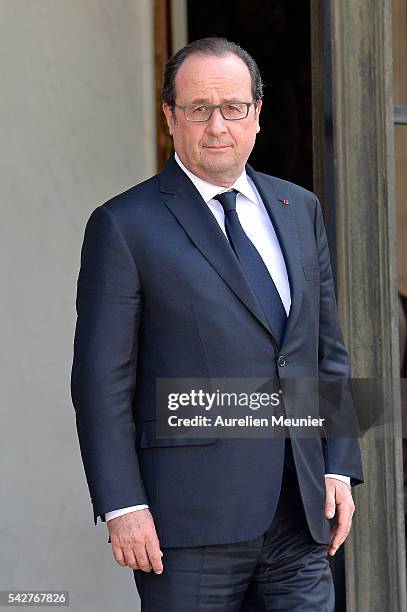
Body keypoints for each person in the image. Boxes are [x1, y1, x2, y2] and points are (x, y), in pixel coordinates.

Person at [71, 37, 363, 611]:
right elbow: (99, 380)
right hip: (187, 528)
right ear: (170, 118)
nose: (217, 125)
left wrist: (339, 463)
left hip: (300, 515)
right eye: (198, 109)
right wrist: (123, 505)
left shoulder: (298, 209)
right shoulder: (124, 225)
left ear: (257, 114)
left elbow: (324, 350)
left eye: (233, 107)